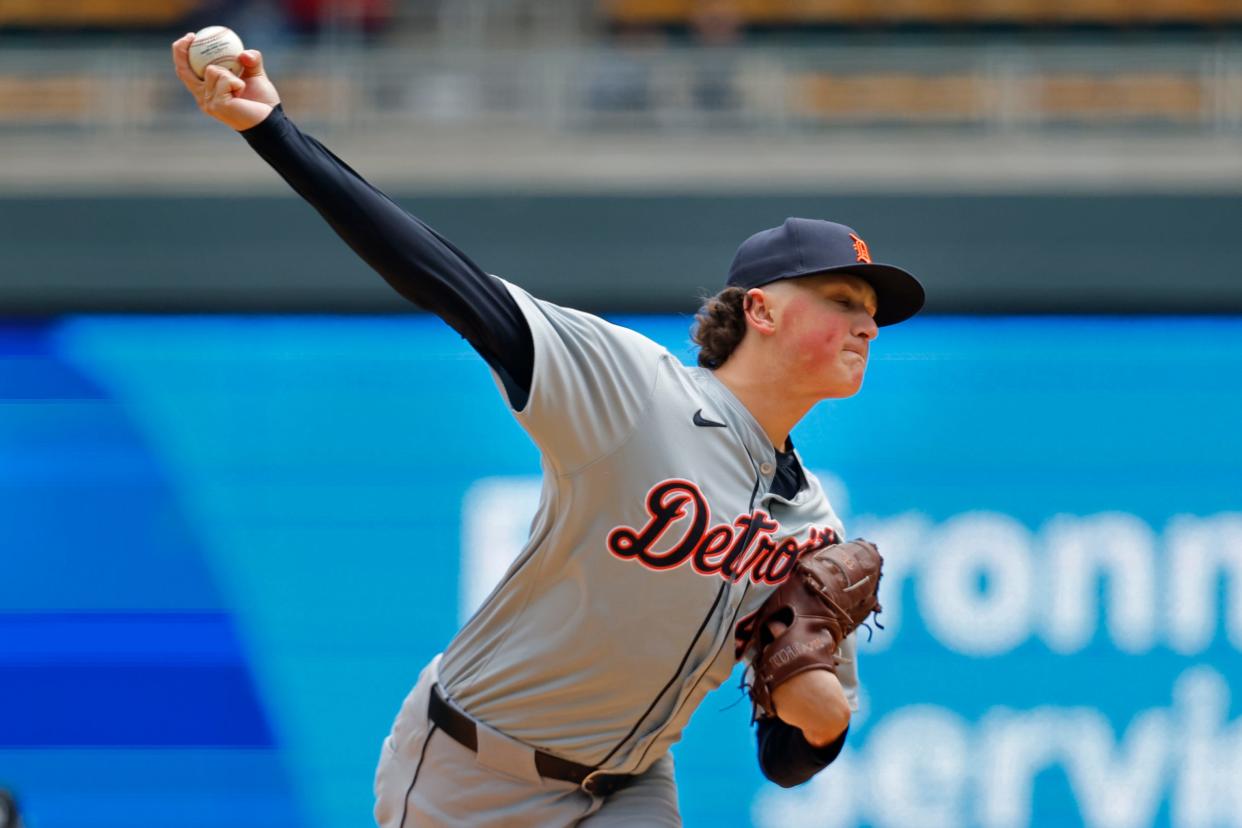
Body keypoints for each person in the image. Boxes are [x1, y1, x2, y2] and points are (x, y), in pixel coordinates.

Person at [170, 35, 924, 827]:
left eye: (872, 314)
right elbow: (443, 276)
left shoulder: (813, 527)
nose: (866, 325)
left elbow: (788, 763)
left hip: (629, 783)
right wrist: (274, 133)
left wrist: (822, 716)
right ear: (760, 309)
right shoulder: (634, 390)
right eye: (843, 299)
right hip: (469, 767)